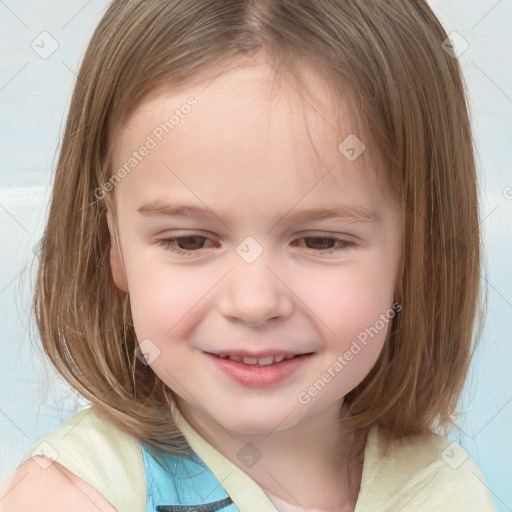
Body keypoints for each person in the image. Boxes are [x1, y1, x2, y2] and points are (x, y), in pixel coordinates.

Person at [1, 1, 496, 511]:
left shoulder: (443, 490)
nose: (254, 302)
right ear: (115, 246)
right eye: (189, 241)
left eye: (321, 241)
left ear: (419, 250)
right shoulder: (75, 495)